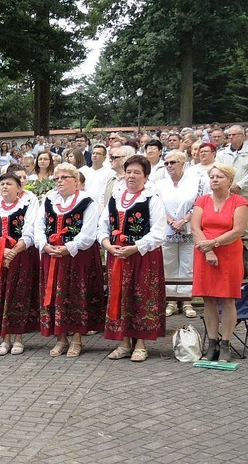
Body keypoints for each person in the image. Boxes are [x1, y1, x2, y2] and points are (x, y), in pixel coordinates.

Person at [100, 155, 167, 362]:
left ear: (146, 177)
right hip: (117, 256)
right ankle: (124, 342)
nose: (132, 176)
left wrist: (134, 248)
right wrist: (108, 245)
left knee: (141, 296)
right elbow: (102, 227)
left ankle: (141, 343)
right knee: (120, 296)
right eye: (129, 172)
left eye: (137, 173)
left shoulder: (151, 199)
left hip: (142, 257)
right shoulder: (115, 199)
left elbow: (159, 233)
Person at [35, 163, 105, 358]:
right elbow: (39, 225)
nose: (59, 181)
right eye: (57, 178)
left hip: (77, 257)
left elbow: (89, 232)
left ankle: (76, 339)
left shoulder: (86, 202)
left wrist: (69, 247)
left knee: (76, 295)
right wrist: (44, 245)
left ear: (76, 181)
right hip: (52, 255)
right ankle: (61, 338)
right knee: (57, 297)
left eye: (64, 177)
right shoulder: (49, 199)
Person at [192, 163, 248, 362]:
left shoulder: (240, 202)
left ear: (230, 181)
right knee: (208, 299)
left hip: (229, 254)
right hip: (203, 252)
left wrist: (214, 244)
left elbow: (238, 231)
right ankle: (212, 344)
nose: (215, 179)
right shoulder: (202, 201)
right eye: (212, 176)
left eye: (220, 177)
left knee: (228, 299)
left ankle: (225, 344)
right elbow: (195, 228)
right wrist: (208, 250)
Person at [0, 172, 40, 355]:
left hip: (20, 255)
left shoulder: (26, 205)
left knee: (18, 294)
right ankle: (4, 339)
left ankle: (18, 338)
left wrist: (13, 251)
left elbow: (29, 230)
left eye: (9, 184)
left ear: (18, 188)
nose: (5, 187)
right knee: (0, 294)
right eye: (2, 184)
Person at [155, 150, 203, 318]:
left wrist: (183, 220)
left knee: (187, 265)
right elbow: (158, 205)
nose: (169, 166)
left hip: (188, 228)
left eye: (173, 162)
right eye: (166, 163)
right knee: (168, 265)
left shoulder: (195, 182)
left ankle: (187, 301)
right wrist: (171, 221)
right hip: (167, 229)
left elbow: (199, 202)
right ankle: (172, 301)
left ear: (182, 163)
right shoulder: (159, 184)